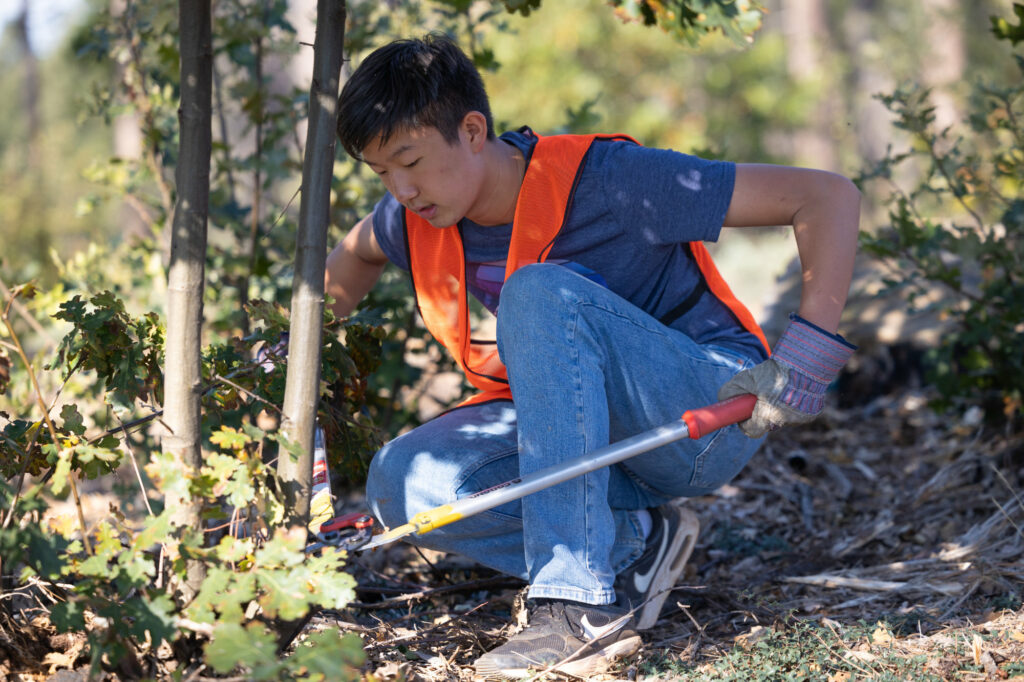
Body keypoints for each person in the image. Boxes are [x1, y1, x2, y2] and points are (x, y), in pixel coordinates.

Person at [325, 34, 859, 679]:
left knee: (540, 292)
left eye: (410, 160)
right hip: (577, 438)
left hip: (705, 416)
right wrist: (290, 363)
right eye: (382, 172)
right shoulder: (414, 217)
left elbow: (826, 195)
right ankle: (635, 546)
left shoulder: (613, 182)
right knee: (401, 482)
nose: (401, 189)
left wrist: (807, 357)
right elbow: (355, 255)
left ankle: (576, 610)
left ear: (471, 130)